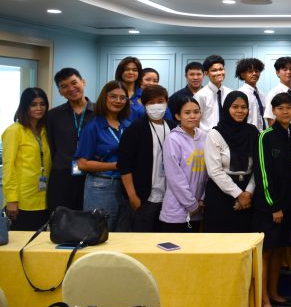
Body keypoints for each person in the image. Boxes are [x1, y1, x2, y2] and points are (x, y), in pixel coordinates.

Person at [254, 93, 291, 307]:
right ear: (273, 110)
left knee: (278, 252)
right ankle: (263, 300)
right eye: (280, 108)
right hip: (269, 207)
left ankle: (274, 293)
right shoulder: (265, 136)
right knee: (266, 253)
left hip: (290, 205)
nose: (285, 111)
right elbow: (263, 174)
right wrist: (274, 206)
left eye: (289, 108)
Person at [74, 81, 132, 231]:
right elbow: (82, 164)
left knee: (121, 235)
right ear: (104, 98)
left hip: (127, 186)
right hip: (101, 185)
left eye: (122, 98)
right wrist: (117, 165)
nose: (118, 101)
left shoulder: (128, 125)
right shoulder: (93, 127)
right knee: (98, 231)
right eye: (113, 96)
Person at [118, 85, 176, 232]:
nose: (156, 105)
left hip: (169, 198)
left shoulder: (173, 127)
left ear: (166, 102)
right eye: (151, 102)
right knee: (141, 239)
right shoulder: (135, 129)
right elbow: (125, 166)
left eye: (160, 101)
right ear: (144, 105)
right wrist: (132, 196)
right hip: (144, 198)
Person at [203, 91, 258, 232]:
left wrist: (248, 193)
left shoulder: (253, 132)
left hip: (249, 193)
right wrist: (239, 195)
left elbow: (258, 167)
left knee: (246, 242)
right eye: (235, 106)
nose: (240, 111)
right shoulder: (215, 134)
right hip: (220, 195)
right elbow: (214, 171)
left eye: (243, 107)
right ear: (227, 108)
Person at [46, 67, 95, 212]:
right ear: (60, 92)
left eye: (74, 83)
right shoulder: (52, 116)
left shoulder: (100, 112)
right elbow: (52, 146)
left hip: (92, 176)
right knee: (62, 222)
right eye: (64, 86)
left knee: (90, 221)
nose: (71, 88)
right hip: (62, 177)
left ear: (83, 82)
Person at [2, 88, 51, 231]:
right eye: (33, 104)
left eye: (42, 104)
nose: (39, 108)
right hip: (22, 201)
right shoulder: (14, 131)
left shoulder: (44, 130)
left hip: (44, 199)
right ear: (25, 106)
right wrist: (11, 200)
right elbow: (8, 166)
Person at [160, 96, 206, 232]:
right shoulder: (173, 139)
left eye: (196, 112)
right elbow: (175, 178)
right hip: (176, 212)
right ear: (177, 116)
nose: (193, 116)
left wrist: (202, 200)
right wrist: (191, 205)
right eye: (187, 113)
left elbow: (207, 173)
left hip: (198, 210)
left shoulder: (204, 136)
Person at [194, 55, 232, 131]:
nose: (219, 73)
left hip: (228, 137)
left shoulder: (230, 93)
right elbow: (195, 121)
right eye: (214, 70)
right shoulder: (200, 96)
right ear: (206, 73)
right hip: (206, 139)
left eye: (221, 69)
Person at [236, 58, 268, 131]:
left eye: (257, 71)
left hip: (261, 134)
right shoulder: (240, 94)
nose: (254, 74)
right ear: (243, 75)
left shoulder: (261, 95)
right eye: (250, 71)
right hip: (246, 134)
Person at [264, 57, 291, 125]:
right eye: (285, 69)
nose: (289, 72)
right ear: (277, 73)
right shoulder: (273, 93)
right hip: (280, 133)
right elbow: (271, 119)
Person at [114, 56, 145, 123]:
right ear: (120, 72)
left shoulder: (144, 95)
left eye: (135, 70)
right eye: (126, 69)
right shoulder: (111, 93)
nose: (130, 72)